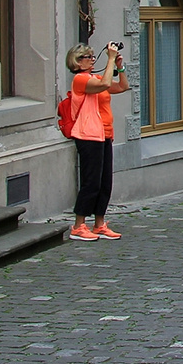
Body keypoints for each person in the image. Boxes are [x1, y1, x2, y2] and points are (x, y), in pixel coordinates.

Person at [66, 42, 129, 241]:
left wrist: (120, 66)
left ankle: (99, 223)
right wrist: (109, 59)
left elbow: (122, 86)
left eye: (94, 57)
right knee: (90, 181)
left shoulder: (95, 77)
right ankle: (78, 225)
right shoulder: (80, 80)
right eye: (89, 57)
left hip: (104, 134)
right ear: (78, 61)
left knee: (104, 182)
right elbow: (103, 85)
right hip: (88, 135)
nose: (93, 60)